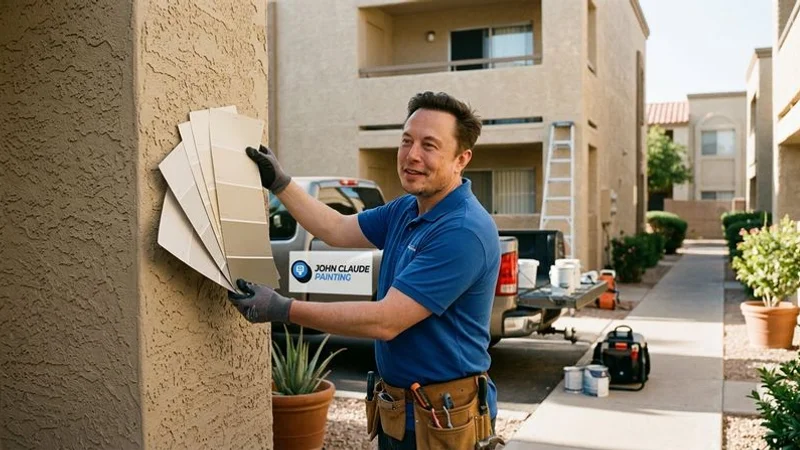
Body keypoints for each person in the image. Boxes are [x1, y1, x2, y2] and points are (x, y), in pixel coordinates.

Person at [230, 91, 500, 449]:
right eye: (407, 141)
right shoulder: (407, 209)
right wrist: (281, 183)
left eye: (430, 145)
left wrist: (283, 309)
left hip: (444, 418)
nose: (412, 155)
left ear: (461, 159)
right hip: (400, 410)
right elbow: (337, 230)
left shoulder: (462, 230)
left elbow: (385, 321)